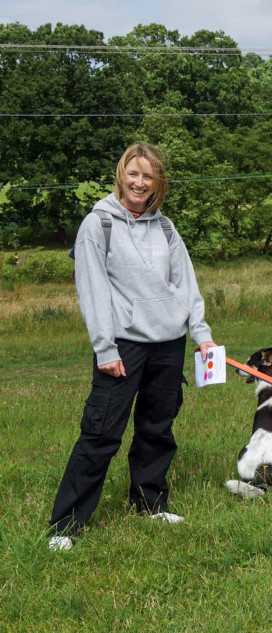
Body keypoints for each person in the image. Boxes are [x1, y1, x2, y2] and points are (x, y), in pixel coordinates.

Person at [48, 142, 216, 551]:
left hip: (169, 344)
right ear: (122, 176)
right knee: (101, 433)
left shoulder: (166, 227)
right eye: (133, 173)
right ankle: (65, 526)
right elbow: (93, 291)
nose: (140, 182)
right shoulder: (98, 224)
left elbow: (186, 285)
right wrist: (105, 349)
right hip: (123, 346)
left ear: (159, 181)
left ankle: (150, 503)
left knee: (158, 429)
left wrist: (202, 333)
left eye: (148, 175)